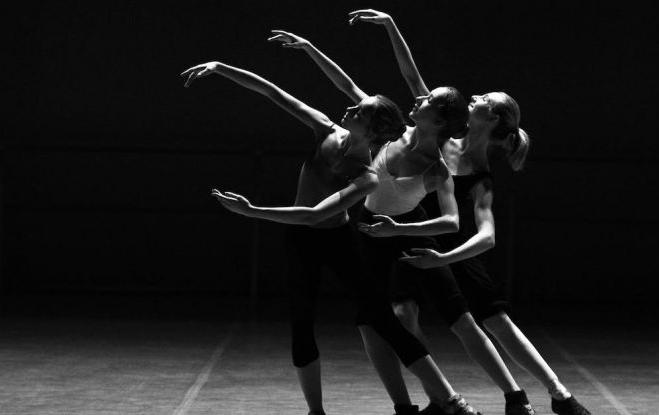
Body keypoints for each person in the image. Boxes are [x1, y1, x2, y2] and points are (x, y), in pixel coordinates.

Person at [182, 55, 478, 415]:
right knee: (302, 322)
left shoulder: (366, 174)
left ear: (370, 130)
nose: (350, 108)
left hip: (337, 242)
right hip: (300, 242)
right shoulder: (325, 128)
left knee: (381, 318)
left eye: (360, 111)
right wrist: (220, 68)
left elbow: (316, 214)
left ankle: (448, 400)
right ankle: (316, 412)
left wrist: (252, 211)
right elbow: (274, 93)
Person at [267, 28, 536, 415]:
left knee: (458, 316)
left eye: (428, 100)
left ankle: (513, 397)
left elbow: (448, 222)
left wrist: (401, 231)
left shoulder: (437, 165)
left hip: (408, 230)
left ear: (440, 119)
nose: (419, 97)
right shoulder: (391, 131)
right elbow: (352, 83)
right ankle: (412, 405)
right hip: (373, 232)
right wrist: (312, 47)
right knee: (374, 322)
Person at [348, 9, 592, 415]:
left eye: (481, 100)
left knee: (492, 322)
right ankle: (439, 399)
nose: (473, 98)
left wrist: (447, 256)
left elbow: (487, 235)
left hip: (451, 247)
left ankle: (554, 395)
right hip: (413, 235)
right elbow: (412, 78)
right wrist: (391, 25)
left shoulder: (480, 175)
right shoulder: (441, 139)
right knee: (402, 312)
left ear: (491, 117)